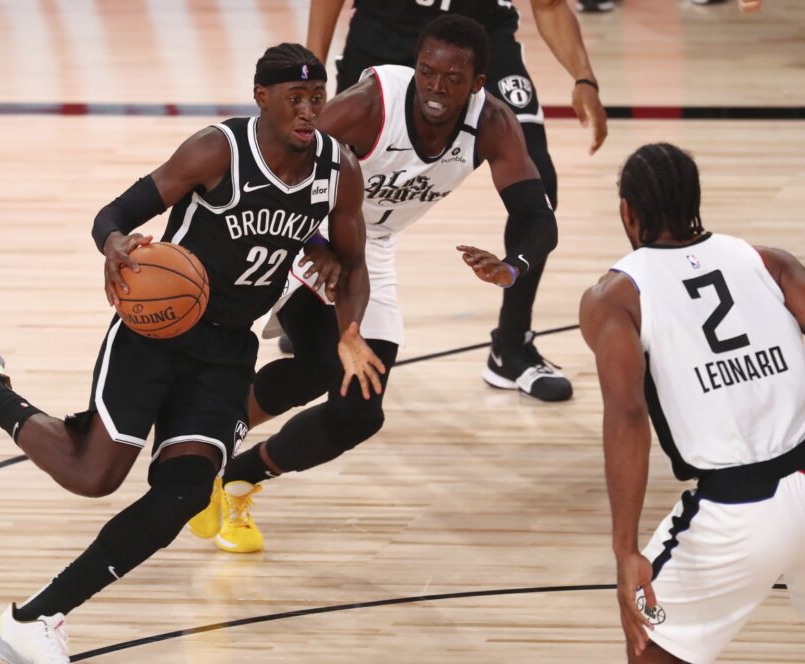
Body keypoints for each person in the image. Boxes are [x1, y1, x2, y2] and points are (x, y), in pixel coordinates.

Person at [0, 44, 386, 664]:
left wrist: (349, 329)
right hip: (156, 332)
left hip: (229, 350)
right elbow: (116, 211)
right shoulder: (218, 150)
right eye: (296, 99)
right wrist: (116, 244)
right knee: (93, 476)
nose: (310, 111)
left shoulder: (339, 170)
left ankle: (36, 619)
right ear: (262, 98)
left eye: (317, 98)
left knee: (184, 491)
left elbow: (355, 260)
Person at [188, 16, 558, 554]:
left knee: (359, 410)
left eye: (452, 79)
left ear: (478, 84)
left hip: (372, 248)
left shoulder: (495, 124)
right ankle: (197, 449)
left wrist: (513, 266)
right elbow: (275, 161)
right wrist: (315, 245)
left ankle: (235, 475)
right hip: (303, 228)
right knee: (318, 364)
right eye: (427, 72)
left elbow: (537, 217)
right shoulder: (369, 106)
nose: (435, 88)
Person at [302, 0, 607, 400]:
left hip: (482, 41)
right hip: (386, 31)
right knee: (334, 172)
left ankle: (511, 345)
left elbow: (548, 6)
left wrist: (584, 78)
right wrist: (311, 74)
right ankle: (314, 301)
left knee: (538, 187)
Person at [580, 143, 805, 663]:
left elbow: (628, 417)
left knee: (650, 648)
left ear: (627, 212)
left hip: (739, 511)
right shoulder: (769, 262)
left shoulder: (614, 298)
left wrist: (625, 551)